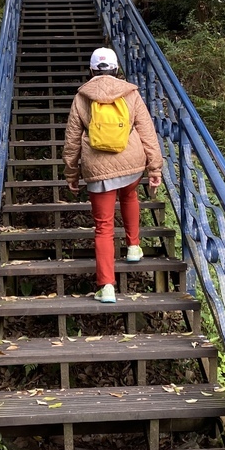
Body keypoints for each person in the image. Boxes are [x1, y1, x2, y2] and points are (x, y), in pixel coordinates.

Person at [63, 47, 164, 304]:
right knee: (130, 196)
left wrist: (71, 172)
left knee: (104, 227)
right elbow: (147, 132)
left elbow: (72, 139)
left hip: (97, 169)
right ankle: (133, 247)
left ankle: (107, 286)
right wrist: (155, 167)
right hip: (130, 163)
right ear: (116, 68)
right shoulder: (130, 93)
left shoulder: (82, 97)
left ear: (92, 70)